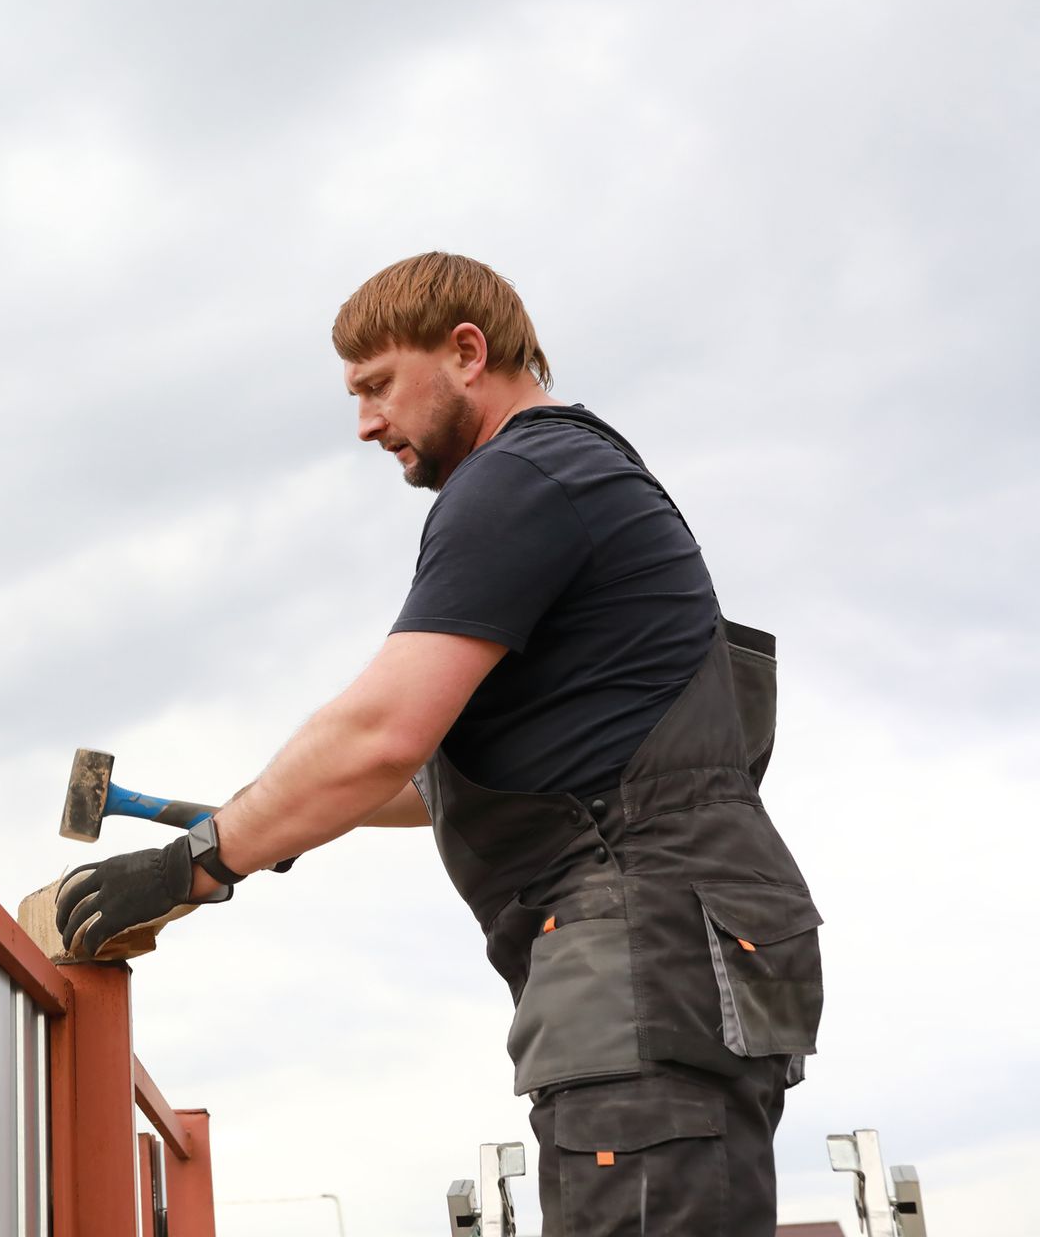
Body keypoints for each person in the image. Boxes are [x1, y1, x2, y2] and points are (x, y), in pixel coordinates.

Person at [55, 253, 824, 1236]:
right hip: (674, 953)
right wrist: (273, 812)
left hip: (642, 951)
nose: (367, 423)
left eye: (378, 385)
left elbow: (381, 730)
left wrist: (192, 864)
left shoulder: (521, 476)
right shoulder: (574, 479)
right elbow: (424, 780)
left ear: (467, 352)